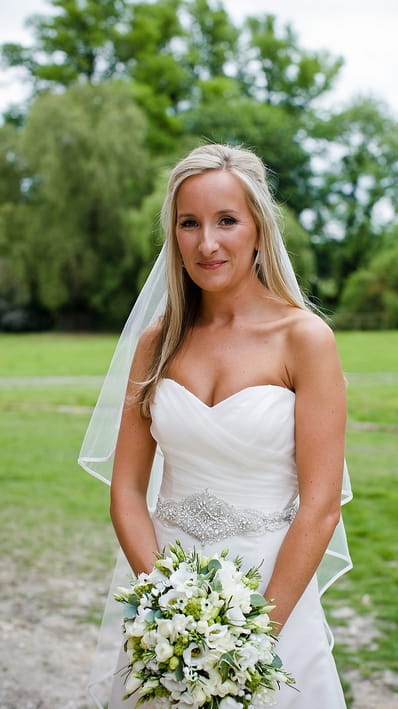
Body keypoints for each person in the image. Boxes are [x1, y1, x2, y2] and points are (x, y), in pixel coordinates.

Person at [79, 143, 352, 708]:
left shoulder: (304, 340)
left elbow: (321, 505)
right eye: (189, 223)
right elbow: (128, 489)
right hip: (170, 596)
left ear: (258, 228)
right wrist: (169, 609)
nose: (207, 243)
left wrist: (251, 636)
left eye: (226, 220)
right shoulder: (158, 341)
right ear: (173, 234)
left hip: (272, 590)